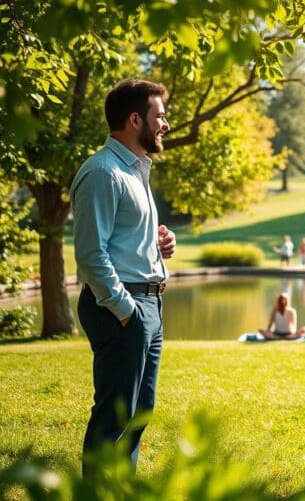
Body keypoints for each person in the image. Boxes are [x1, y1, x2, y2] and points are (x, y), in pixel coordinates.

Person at [71, 79, 175, 476]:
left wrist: (158, 244)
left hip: (149, 303)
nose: (164, 124)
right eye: (159, 116)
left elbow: (122, 240)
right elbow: (91, 254)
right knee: (116, 413)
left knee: (138, 412)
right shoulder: (102, 172)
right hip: (121, 306)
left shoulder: (135, 170)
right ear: (135, 119)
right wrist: (125, 310)